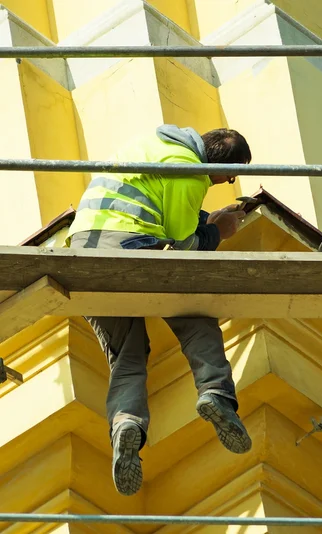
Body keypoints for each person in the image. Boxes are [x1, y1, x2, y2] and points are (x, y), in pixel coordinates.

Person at [66, 124, 252, 497]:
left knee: (127, 354)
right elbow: (182, 245)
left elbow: (159, 207)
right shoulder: (191, 170)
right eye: (232, 173)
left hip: (84, 252)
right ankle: (216, 394)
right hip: (129, 247)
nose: (230, 181)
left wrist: (205, 218)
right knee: (193, 314)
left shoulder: (154, 145)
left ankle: (126, 423)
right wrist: (220, 231)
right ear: (217, 163)